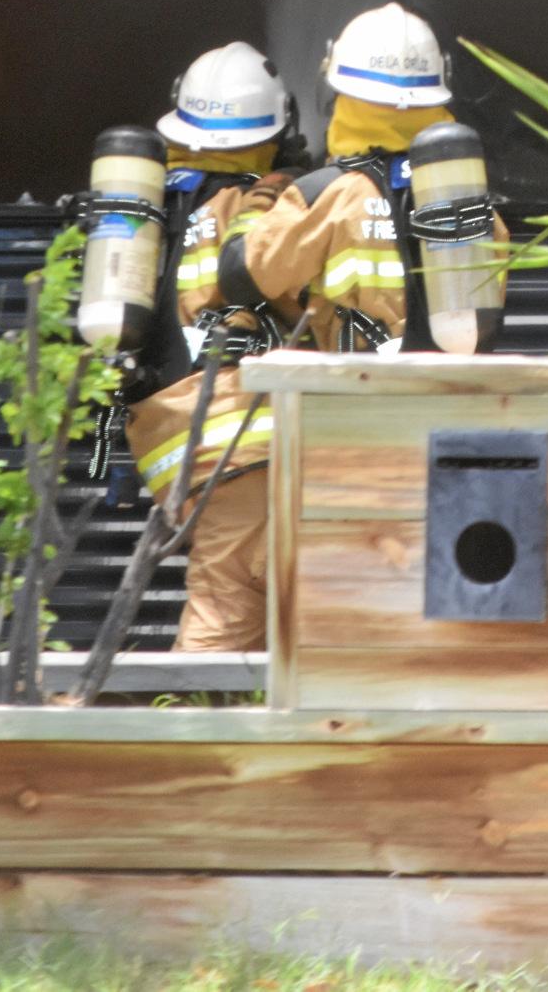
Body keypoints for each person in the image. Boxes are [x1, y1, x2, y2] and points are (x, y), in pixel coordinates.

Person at [193, 5, 509, 644]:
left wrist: (261, 203)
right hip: (455, 433)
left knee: (347, 621)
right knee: (436, 618)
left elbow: (240, 274)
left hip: (358, 438)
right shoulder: (465, 198)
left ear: (340, 92)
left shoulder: (326, 192)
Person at [123, 42, 306, 652]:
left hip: (180, 452)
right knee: (216, 646)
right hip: (243, 449)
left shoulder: (155, 209)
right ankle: (177, 745)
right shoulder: (270, 204)